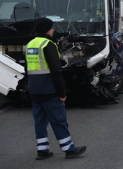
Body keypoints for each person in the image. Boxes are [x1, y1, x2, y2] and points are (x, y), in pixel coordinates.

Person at [26, 18, 86, 160]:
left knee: (40, 121)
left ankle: (42, 150)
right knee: (59, 120)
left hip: (34, 89)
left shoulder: (30, 45)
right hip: (49, 89)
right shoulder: (48, 44)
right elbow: (56, 71)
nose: (53, 30)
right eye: (52, 28)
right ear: (47, 29)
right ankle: (69, 149)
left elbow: (27, 68)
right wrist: (62, 92)